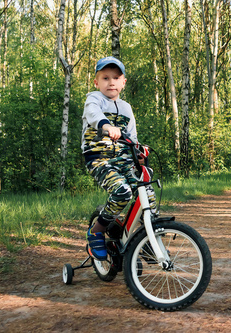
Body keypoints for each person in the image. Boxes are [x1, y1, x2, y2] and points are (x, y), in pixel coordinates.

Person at [81, 56, 138, 261]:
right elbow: (93, 114)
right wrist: (106, 126)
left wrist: (139, 153)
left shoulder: (126, 108)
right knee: (122, 191)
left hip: (123, 158)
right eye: (105, 78)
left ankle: (140, 235)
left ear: (123, 82)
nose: (111, 82)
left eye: (116, 77)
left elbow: (132, 136)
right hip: (99, 157)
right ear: (97, 82)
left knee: (146, 191)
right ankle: (97, 230)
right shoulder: (94, 99)